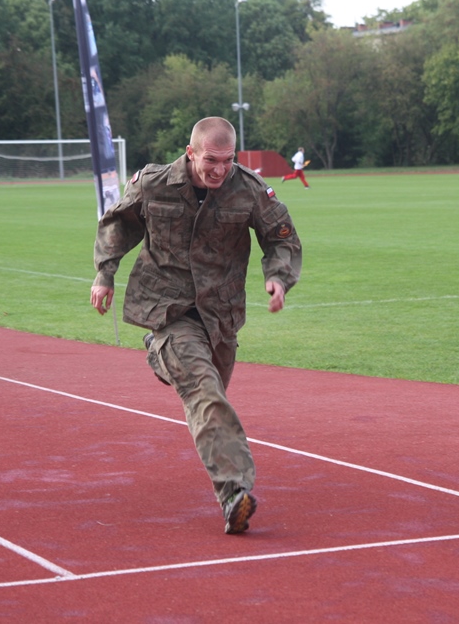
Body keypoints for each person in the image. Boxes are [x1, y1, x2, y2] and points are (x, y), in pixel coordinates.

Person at [90, 117, 302, 535]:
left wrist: (278, 277)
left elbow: (280, 236)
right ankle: (234, 492)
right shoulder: (154, 184)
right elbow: (117, 223)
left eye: (227, 161)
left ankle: (160, 354)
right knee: (204, 394)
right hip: (167, 308)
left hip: (220, 316)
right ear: (191, 153)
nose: (219, 170)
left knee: (212, 389)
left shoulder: (249, 190)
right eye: (210, 160)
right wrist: (104, 273)